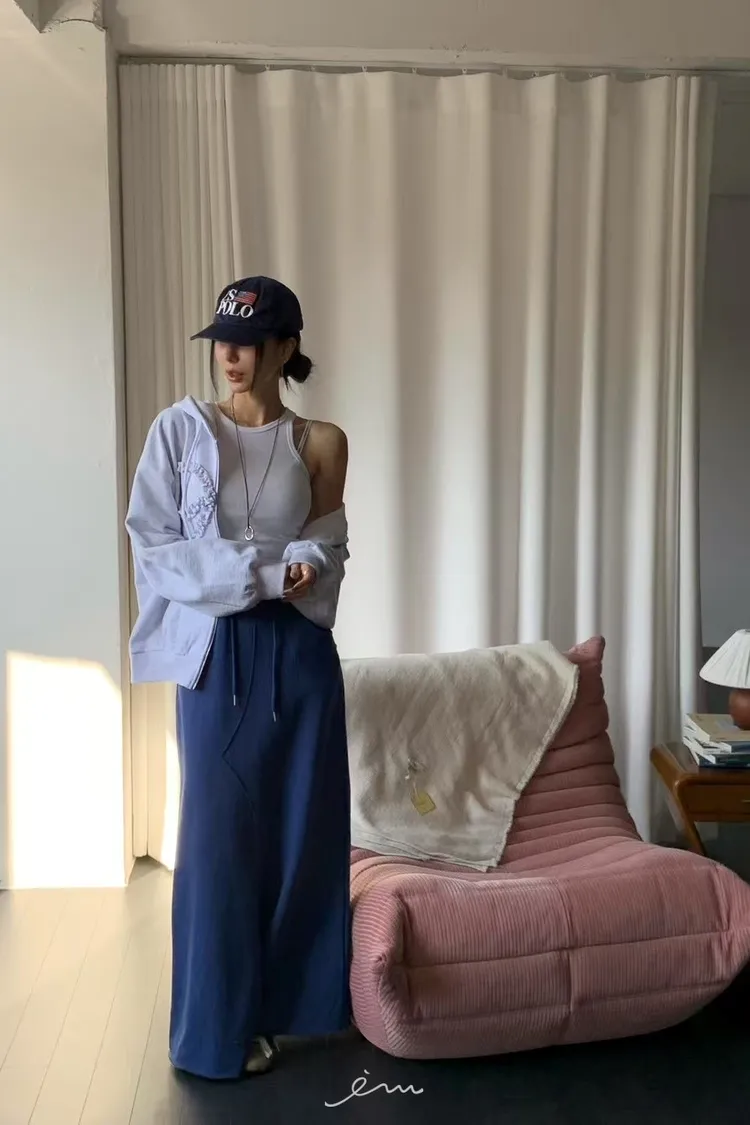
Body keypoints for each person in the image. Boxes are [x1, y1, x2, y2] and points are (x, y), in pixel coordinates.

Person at [125, 276, 351, 1080]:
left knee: (300, 836)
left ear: (286, 347)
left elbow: (328, 546)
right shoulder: (179, 432)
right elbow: (156, 549)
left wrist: (307, 565)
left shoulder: (321, 440)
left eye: (251, 341)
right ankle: (213, 1031)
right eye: (223, 338)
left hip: (300, 654)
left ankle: (282, 1012)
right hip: (215, 654)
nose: (232, 353)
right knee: (217, 843)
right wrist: (261, 574)